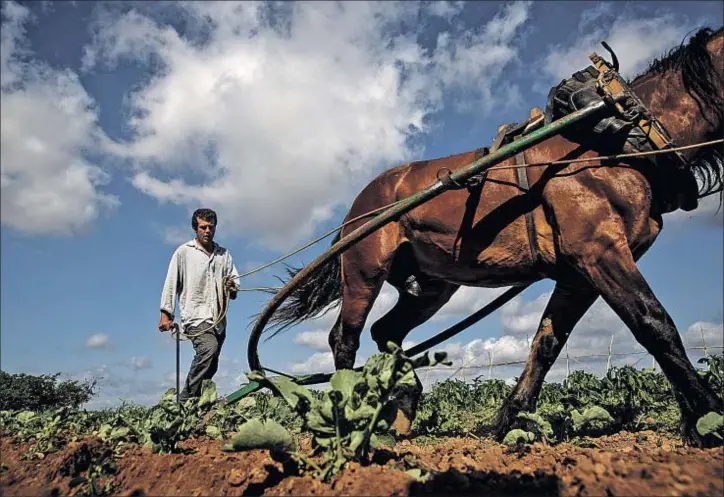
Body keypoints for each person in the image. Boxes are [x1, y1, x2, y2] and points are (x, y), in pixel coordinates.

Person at [158, 208, 240, 401]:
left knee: (212, 364)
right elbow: (171, 283)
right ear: (195, 229)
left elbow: (235, 286)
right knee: (208, 349)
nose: (207, 231)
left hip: (218, 319)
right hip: (196, 315)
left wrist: (231, 286)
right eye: (203, 227)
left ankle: (198, 404)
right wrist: (165, 314)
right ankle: (184, 401)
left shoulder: (223, 255)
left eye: (211, 227)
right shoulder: (184, 252)